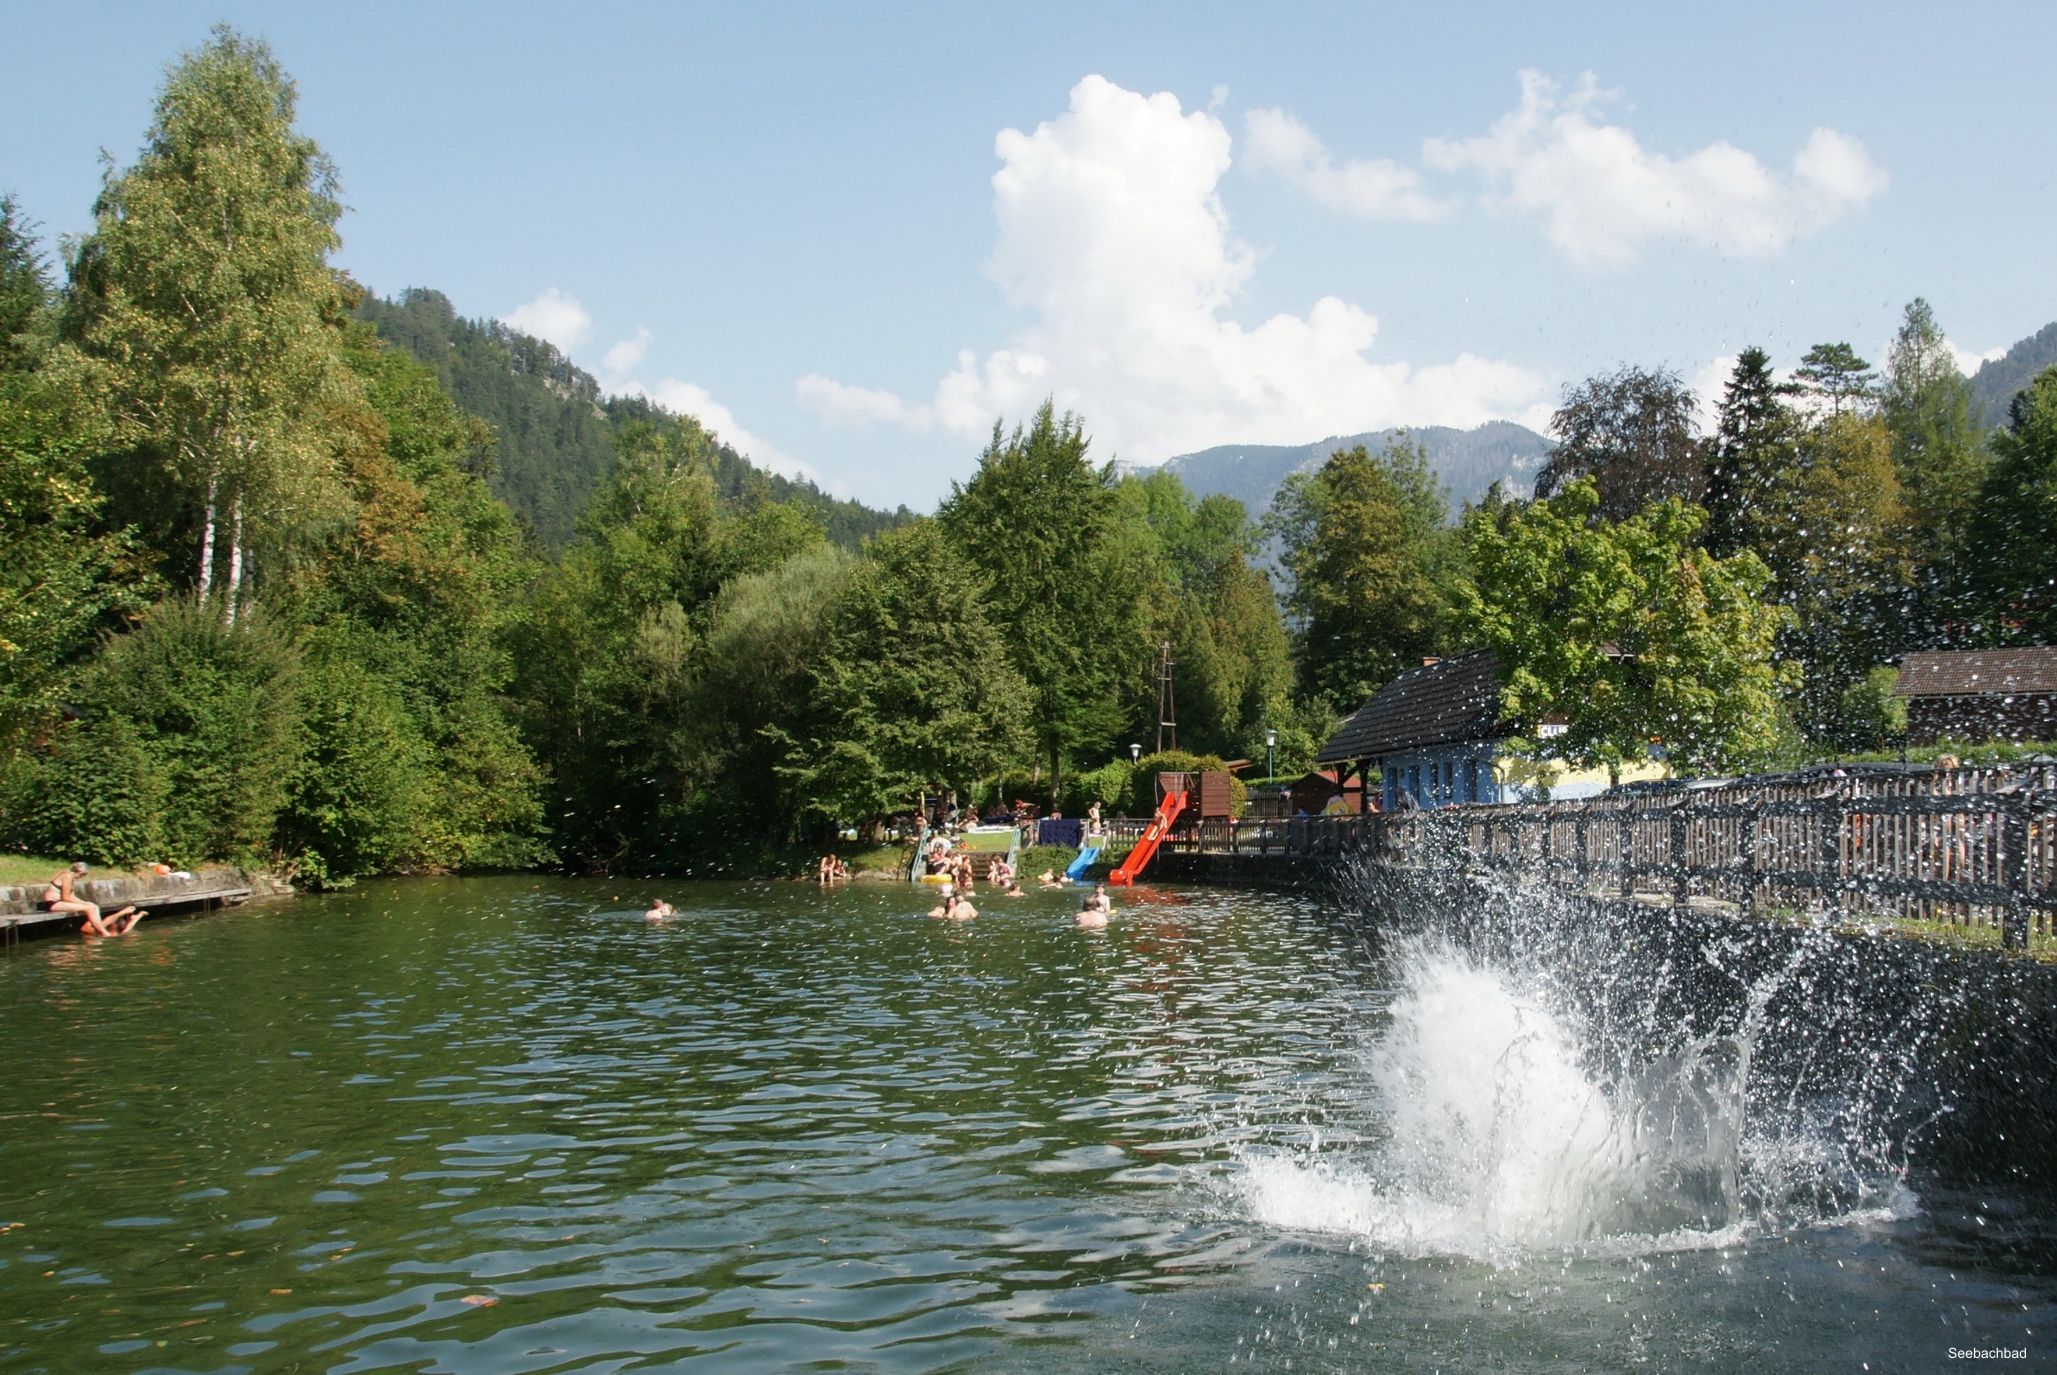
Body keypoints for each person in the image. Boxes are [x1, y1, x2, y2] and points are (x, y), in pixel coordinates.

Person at [43, 862, 140, 937]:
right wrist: (85, 905)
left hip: (60, 902)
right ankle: (104, 933)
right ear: (80, 872)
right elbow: (66, 897)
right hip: (54, 903)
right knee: (89, 908)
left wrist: (86, 903)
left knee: (93, 906)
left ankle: (99, 930)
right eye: (83, 875)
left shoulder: (71, 878)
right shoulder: (67, 876)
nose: (82, 877)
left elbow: (71, 896)